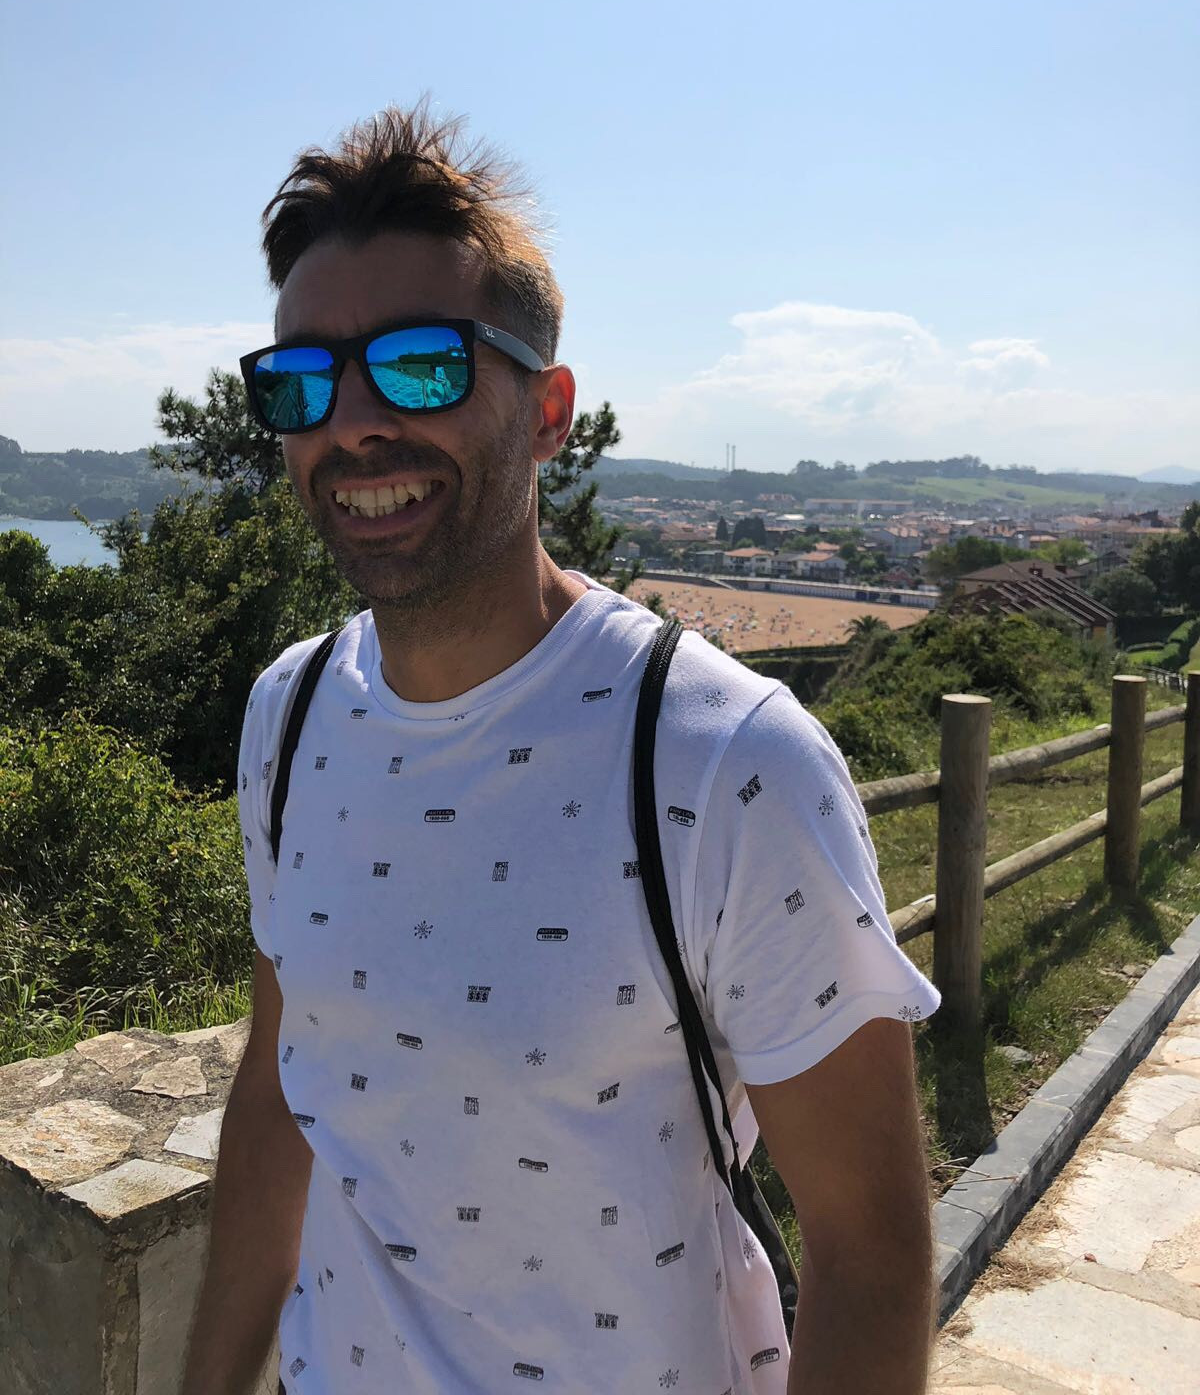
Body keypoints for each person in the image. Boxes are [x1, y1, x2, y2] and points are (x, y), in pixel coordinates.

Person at [182, 99, 940, 1395]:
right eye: (301, 381)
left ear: (547, 413)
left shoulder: (726, 763)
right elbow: (277, 1090)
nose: (352, 423)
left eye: (419, 365)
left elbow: (870, 1255)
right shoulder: (288, 719)